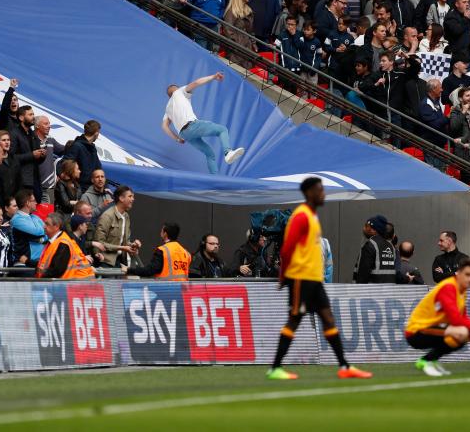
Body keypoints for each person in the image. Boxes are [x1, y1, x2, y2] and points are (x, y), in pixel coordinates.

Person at [267, 177, 371, 381]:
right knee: (294, 320)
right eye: (320, 190)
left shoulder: (312, 216)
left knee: (328, 319)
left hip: (315, 279)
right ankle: (275, 368)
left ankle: (344, 366)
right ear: (309, 193)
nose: (323, 193)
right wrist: (283, 276)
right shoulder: (301, 216)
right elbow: (287, 248)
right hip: (301, 278)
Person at [405, 258, 470, 377]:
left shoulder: (461, 291)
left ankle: (431, 360)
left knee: (468, 333)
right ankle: (426, 361)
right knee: (462, 332)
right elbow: (456, 319)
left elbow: (463, 317)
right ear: (458, 273)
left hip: (433, 329)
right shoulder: (449, 287)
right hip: (416, 332)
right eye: (468, 275)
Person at [162, 72, 246, 174]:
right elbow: (197, 82)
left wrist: (177, 139)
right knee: (222, 130)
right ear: (176, 88)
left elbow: (164, 126)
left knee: (209, 154)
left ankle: (214, 178)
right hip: (192, 125)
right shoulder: (180, 91)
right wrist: (213, 77)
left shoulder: (168, 108)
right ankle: (227, 152)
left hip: (185, 135)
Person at [35, 213, 95, 279]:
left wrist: (40, 282)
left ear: (56, 227)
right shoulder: (57, 241)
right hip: (75, 283)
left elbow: (56, 271)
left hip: (79, 284)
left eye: (47, 224)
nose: (44, 226)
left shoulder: (63, 243)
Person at [352, 215, 396, 283]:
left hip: (372, 291)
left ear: (374, 230)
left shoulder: (370, 245)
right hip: (388, 291)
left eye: (366, 226)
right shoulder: (390, 246)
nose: (364, 228)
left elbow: (363, 274)